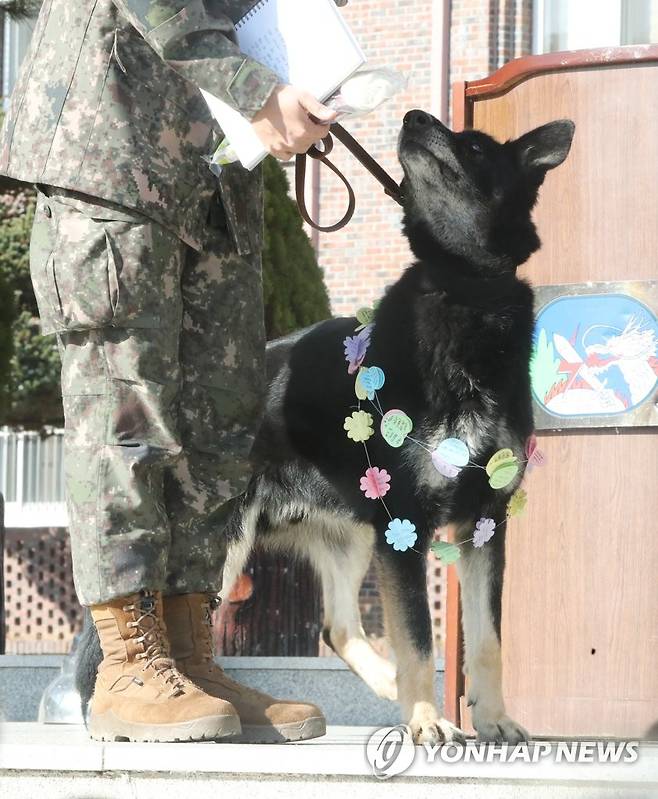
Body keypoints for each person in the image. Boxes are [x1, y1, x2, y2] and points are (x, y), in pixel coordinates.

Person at [0, 0, 346, 743]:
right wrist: (260, 92)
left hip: (215, 171)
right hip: (116, 154)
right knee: (126, 412)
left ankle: (189, 656)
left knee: (217, 424)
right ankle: (127, 663)